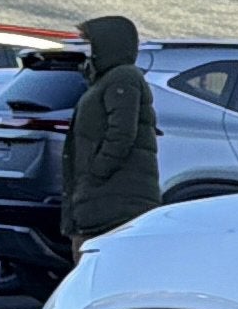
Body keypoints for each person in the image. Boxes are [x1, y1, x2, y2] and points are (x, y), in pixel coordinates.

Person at [59, 15, 161, 248]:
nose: (86, 52)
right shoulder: (103, 81)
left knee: (98, 270)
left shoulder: (123, 77)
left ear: (108, 45)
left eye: (89, 44)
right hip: (96, 200)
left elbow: (122, 133)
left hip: (117, 203)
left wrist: (97, 171)